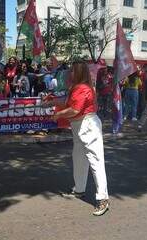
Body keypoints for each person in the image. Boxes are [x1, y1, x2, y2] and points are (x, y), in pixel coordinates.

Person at [44, 61, 109, 216]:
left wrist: (58, 114)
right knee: (79, 159)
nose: (69, 73)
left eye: (72, 71)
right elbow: (67, 102)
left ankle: (103, 198)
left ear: (79, 73)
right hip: (80, 126)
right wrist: (51, 102)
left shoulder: (83, 88)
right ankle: (79, 189)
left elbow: (74, 109)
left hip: (87, 125)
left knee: (95, 162)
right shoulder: (77, 87)